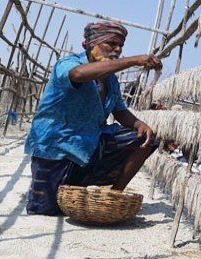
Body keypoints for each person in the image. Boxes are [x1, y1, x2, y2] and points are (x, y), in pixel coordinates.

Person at [25, 21, 162, 216]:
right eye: (111, 44)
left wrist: (139, 124)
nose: (117, 49)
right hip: (57, 147)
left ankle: (113, 195)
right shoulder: (70, 64)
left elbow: (120, 111)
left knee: (145, 140)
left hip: (90, 146)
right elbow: (78, 75)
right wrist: (133, 60)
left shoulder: (110, 79)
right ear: (92, 44)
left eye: (121, 46)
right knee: (45, 211)